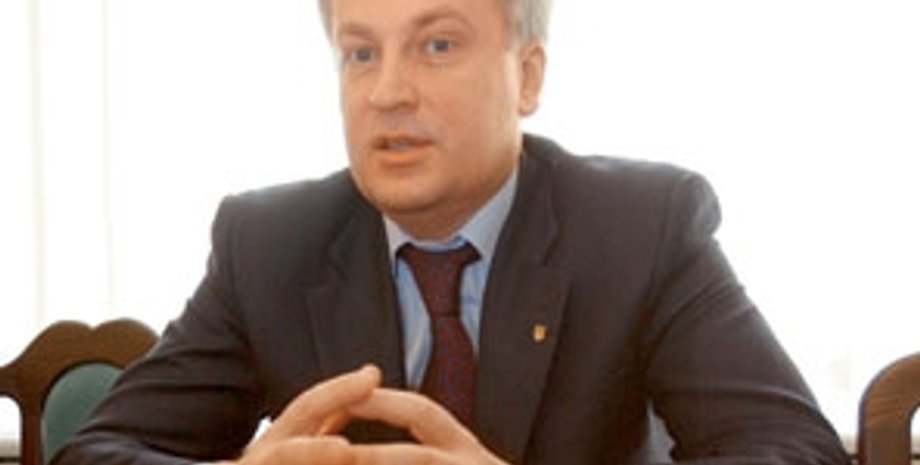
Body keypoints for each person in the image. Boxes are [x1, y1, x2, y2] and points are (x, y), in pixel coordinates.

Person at [53, 0, 850, 463]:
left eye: (437, 45)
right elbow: (95, 453)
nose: (387, 92)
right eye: (360, 53)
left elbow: (793, 449)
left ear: (526, 75)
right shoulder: (270, 243)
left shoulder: (640, 227)